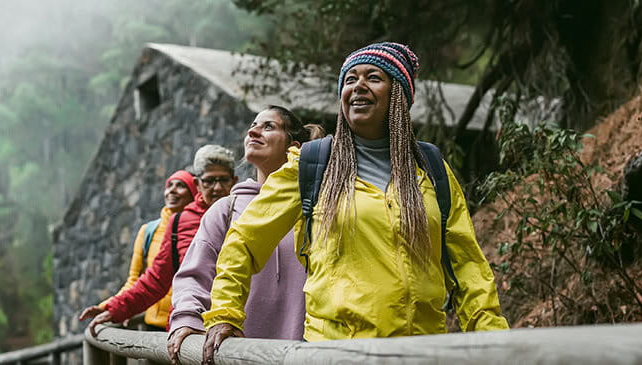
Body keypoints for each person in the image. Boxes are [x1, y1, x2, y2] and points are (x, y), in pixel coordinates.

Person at [202, 42, 509, 363]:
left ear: (399, 94)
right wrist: (225, 313)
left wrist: (493, 337)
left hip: (421, 353)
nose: (358, 86)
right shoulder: (312, 164)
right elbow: (244, 241)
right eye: (349, 80)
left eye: (373, 77)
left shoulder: (431, 169)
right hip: (336, 354)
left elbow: (467, 266)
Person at [167, 106, 324, 364]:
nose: (253, 131)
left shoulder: (314, 205)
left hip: (306, 354)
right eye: (253, 125)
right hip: (236, 353)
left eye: (268, 126)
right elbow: (194, 276)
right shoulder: (226, 210)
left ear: (293, 146)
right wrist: (187, 319)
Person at [88, 144, 238, 336]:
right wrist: (114, 309)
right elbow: (156, 280)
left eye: (223, 180)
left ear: (234, 181)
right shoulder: (179, 222)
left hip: (235, 324)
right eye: (209, 181)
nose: (217, 188)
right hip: (190, 327)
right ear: (197, 184)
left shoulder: (244, 215)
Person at [78, 170, 197, 330]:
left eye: (181, 185)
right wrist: (109, 307)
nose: (172, 190)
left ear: (194, 191)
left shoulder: (202, 227)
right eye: (169, 185)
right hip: (153, 327)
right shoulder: (148, 231)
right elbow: (135, 280)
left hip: (186, 325)